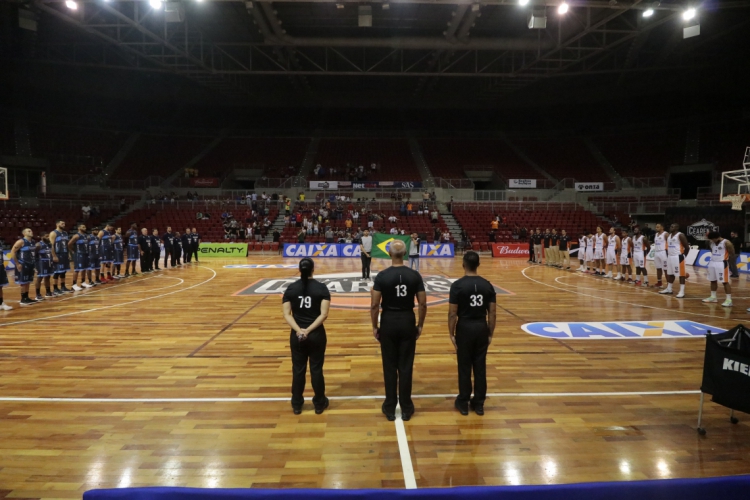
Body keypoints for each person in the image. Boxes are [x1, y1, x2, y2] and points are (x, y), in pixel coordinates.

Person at [370, 240, 427, 421]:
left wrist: (374, 326)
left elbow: (374, 305)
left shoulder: (382, 276)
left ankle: (389, 407)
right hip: (407, 320)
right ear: (405, 254)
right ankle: (406, 408)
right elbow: (423, 303)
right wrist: (420, 325)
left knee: (389, 365)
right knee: (405, 366)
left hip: (388, 321)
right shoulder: (414, 275)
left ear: (389, 254)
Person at [448, 251, 496, 416]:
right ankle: (479, 403)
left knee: (464, 366)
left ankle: (463, 402)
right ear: (478, 264)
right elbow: (492, 313)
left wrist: (451, 333)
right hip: (481, 326)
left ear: (463, 264)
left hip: (465, 327)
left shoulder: (457, 286)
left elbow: (453, 313)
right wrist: (490, 333)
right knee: (480, 366)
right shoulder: (487, 285)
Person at [282, 258, 331, 415]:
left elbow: (286, 314)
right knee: (316, 368)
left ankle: (297, 404)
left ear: (299, 269)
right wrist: (309, 330)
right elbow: (324, 314)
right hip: (316, 334)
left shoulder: (291, 289)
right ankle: (319, 403)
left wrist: (299, 330)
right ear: (313, 270)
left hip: (297, 336)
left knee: (298, 369)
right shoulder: (322, 288)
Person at [703, 231, 733, 307]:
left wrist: (731, 267)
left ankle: (729, 300)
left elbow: (732, 254)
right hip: (712, 262)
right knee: (712, 280)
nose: (711, 240)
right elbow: (712, 251)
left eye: (712, 239)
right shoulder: (711, 243)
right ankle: (713, 297)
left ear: (716, 238)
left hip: (722, 263)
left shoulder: (727, 243)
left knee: (725, 282)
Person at [660, 223, 690, 298]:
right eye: (670, 226)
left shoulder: (680, 235)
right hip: (670, 257)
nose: (671, 227)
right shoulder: (669, 236)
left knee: (681, 275)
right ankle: (669, 289)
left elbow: (687, 247)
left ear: (677, 228)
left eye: (673, 226)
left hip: (678, 256)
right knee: (670, 274)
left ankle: (682, 291)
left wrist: (683, 256)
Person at [10, 228, 37, 306]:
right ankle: (23, 299)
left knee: (28, 281)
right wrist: (17, 263)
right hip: (23, 264)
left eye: (31, 230)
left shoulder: (33, 242)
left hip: (30, 264)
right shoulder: (21, 242)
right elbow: (12, 252)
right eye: (29, 231)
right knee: (23, 282)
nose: (31, 232)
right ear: (24, 233)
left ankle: (26, 297)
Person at [49, 219, 72, 295]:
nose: (64, 225)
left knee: (63, 271)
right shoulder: (53, 233)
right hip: (58, 254)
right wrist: (54, 256)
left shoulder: (65, 233)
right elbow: (51, 246)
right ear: (57, 224)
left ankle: (63, 287)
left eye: (64, 224)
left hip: (64, 254)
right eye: (62, 223)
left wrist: (68, 253)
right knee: (57, 272)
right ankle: (55, 288)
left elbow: (67, 244)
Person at [34, 234, 53, 301]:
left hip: (48, 262)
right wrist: (35, 265)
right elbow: (33, 254)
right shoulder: (38, 245)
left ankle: (48, 292)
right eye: (46, 236)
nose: (48, 237)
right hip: (40, 263)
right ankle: (37, 294)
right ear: (42, 237)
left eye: (48, 236)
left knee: (47, 277)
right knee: (39, 278)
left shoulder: (49, 244)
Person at [652, 223, 668, 288]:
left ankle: (669, 285)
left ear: (662, 227)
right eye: (656, 227)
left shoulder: (666, 234)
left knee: (666, 269)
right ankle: (659, 283)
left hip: (663, 252)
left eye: (658, 227)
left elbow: (670, 243)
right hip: (657, 252)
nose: (656, 228)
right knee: (658, 268)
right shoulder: (656, 234)